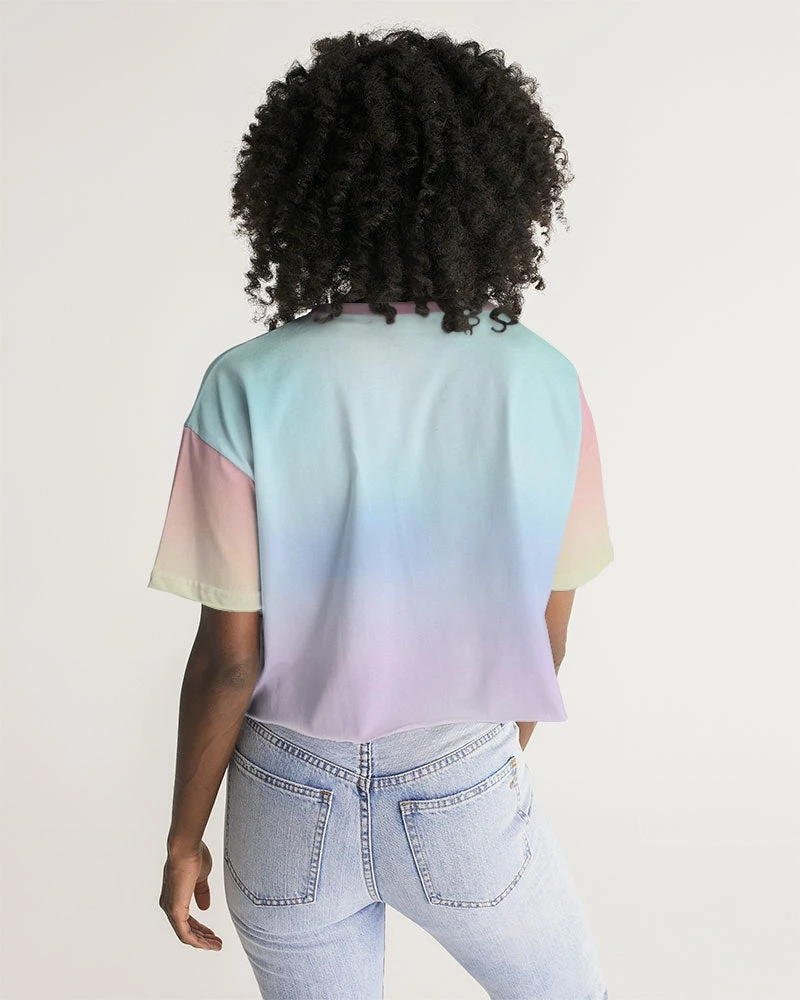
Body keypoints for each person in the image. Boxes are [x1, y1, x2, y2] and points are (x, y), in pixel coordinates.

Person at [148, 26, 613, 1000]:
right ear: (494, 194)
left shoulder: (245, 384)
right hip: (462, 780)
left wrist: (185, 837)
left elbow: (229, 658)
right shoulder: (543, 382)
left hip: (283, 799)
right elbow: (548, 634)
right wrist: (470, 772)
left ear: (303, 193)